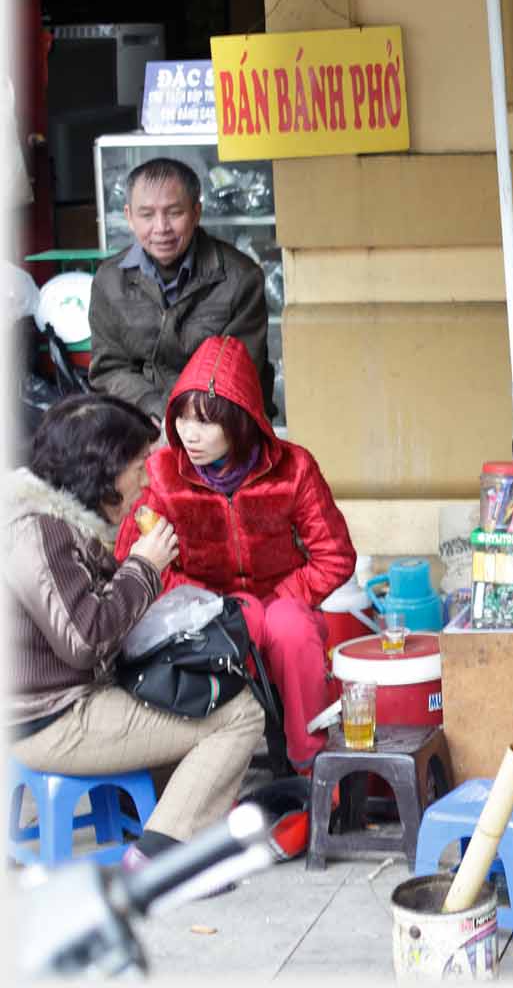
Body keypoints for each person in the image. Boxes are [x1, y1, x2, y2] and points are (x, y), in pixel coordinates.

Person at [5, 393, 266, 868]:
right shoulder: (41, 533)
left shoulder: (52, 520)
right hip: (54, 719)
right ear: (102, 471)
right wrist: (144, 566)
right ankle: (160, 856)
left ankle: (172, 825)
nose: (146, 480)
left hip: (51, 705)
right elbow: (87, 639)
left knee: (189, 694)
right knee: (239, 714)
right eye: (139, 465)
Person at [116, 335, 353, 770]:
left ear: (241, 421)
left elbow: (334, 555)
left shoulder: (294, 468)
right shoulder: (161, 476)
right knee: (231, 633)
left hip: (284, 603)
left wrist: (284, 596)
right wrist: (218, 606)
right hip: (203, 615)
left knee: (291, 627)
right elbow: (137, 560)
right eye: (182, 419)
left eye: (205, 423)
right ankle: (216, 778)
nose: (189, 434)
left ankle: (315, 766)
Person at [89, 157, 273, 423]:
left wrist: (182, 421)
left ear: (196, 212)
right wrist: (158, 411)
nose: (161, 228)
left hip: (220, 423)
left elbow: (237, 374)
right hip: (143, 421)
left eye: (174, 213)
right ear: (129, 217)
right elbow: (109, 370)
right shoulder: (109, 280)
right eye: (147, 215)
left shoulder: (240, 277)